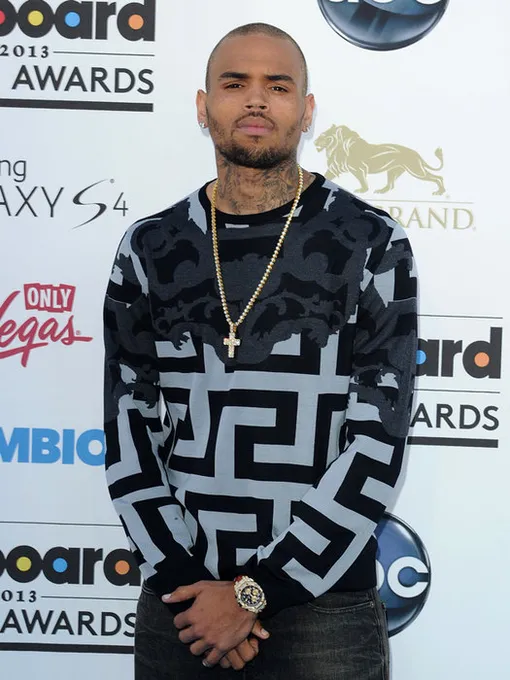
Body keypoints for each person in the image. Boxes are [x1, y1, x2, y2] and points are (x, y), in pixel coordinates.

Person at [103, 22, 417, 680]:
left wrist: (252, 595)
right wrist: (190, 586)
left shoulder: (370, 241)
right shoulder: (150, 247)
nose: (255, 99)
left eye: (277, 86)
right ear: (202, 106)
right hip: (182, 600)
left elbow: (378, 441)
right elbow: (127, 425)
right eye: (234, 83)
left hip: (324, 608)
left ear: (306, 110)